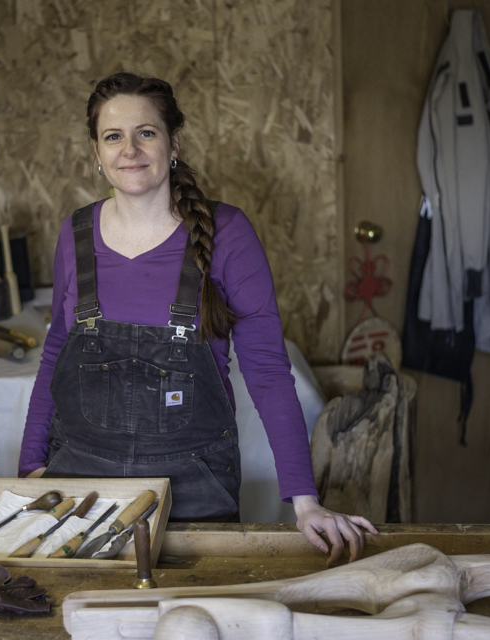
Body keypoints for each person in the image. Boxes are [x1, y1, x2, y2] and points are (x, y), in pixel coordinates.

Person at [19, 72, 377, 564]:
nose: (130, 149)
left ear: (173, 144)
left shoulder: (227, 233)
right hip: (81, 481)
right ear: (96, 154)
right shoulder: (75, 234)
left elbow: (269, 371)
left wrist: (305, 501)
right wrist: (32, 466)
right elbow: (56, 351)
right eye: (113, 136)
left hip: (194, 486)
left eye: (146, 132)